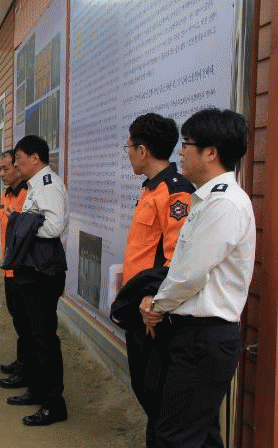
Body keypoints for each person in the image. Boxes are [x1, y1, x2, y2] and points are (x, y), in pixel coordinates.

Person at [140, 108, 255, 447]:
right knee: (200, 436)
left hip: (204, 338)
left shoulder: (224, 204)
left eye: (187, 144)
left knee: (175, 438)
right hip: (195, 336)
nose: (181, 152)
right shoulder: (207, 199)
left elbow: (189, 275)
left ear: (211, 152)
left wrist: (157, 306)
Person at [119, 113, 195, 445]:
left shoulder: (175, 192)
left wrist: (154, 298)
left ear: (143, 150)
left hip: (154, 311)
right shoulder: (150, 188)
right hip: (139, 306)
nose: (128, 153)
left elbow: (176, 257)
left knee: (157, 394)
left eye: (128, 147)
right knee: (146, 389)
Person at [5, 135, 69, 426]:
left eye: (18, 159)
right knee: (32, 334)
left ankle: (54, 403)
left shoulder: (48, 184)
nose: (16, 164)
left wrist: (19, 223)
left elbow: (54, 226)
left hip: (42, 272)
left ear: (35, 158)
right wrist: (23, 221)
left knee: (44, 338)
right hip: (31, 269)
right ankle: (37, 389)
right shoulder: (35, 185)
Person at [0, 150, 30, 388]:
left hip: (22, 269)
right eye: (0, 168)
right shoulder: (7, 194)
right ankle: (21, 361)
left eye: (5, 168)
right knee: (18, 319)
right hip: (9, 269)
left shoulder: (28, 195)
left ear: (18, 168)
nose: (1, 173)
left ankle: (27, 370)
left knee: (26, 323)